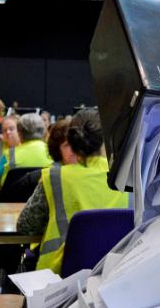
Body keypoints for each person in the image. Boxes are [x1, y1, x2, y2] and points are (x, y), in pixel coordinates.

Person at [17, 109, 129, 273]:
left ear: (72, 139)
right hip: (117, 273)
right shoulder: (128, 176)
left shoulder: (55, 177)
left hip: (59, 278)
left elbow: (25, 225)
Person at [0, 113, 53, 188]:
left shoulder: (9, 154)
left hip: (12, 198)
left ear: (19, 134)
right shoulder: (53, 152)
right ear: (43, 131)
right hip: (44, 198)